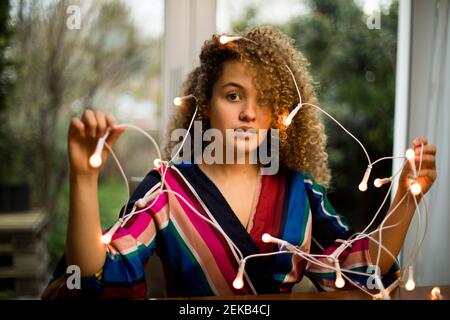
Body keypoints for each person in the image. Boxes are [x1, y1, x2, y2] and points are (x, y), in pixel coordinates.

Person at [41, 26, 437, 299]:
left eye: (264, 100)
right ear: (205, 107)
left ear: (278, 114)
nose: (250, 112)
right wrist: (83, 177)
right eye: (233, 96)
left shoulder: (298, 190)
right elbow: (93, 276)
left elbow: (356, 268)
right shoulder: (167, 189)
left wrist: (406, 196)